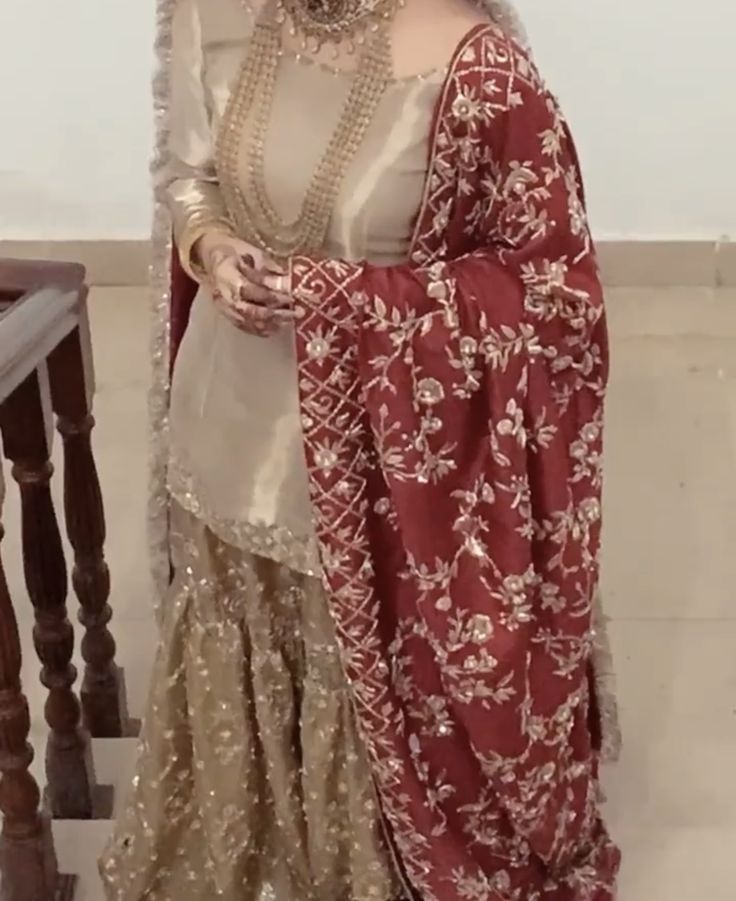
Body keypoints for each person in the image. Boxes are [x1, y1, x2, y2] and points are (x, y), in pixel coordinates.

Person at [100, 0, 621, 898]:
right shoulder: (209, 14)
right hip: (223, 428)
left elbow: (555, 306)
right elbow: (191, 180)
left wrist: (353, 301)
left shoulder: (476, 72)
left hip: (383, 484)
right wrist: (211, 246)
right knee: (241, 652)